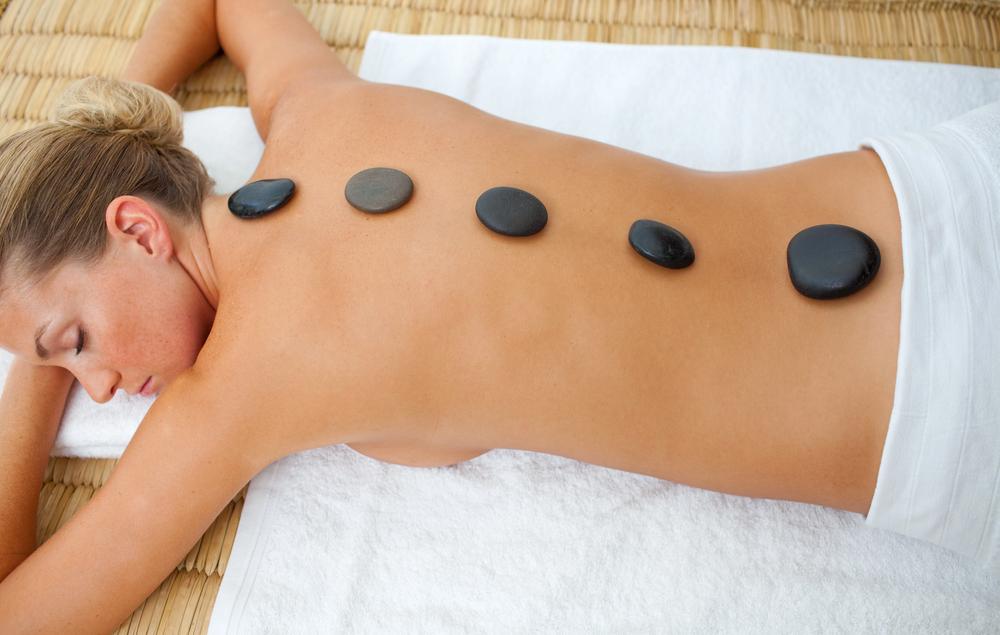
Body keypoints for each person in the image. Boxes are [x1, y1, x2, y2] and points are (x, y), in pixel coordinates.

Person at [0, 0, 920, 630]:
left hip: (926, 403)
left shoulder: (236, 391)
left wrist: (30, 378)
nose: (98, 388)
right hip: (918, 190)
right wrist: (89, 142)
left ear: (138, 227)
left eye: (74, 343)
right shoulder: (317, 105)